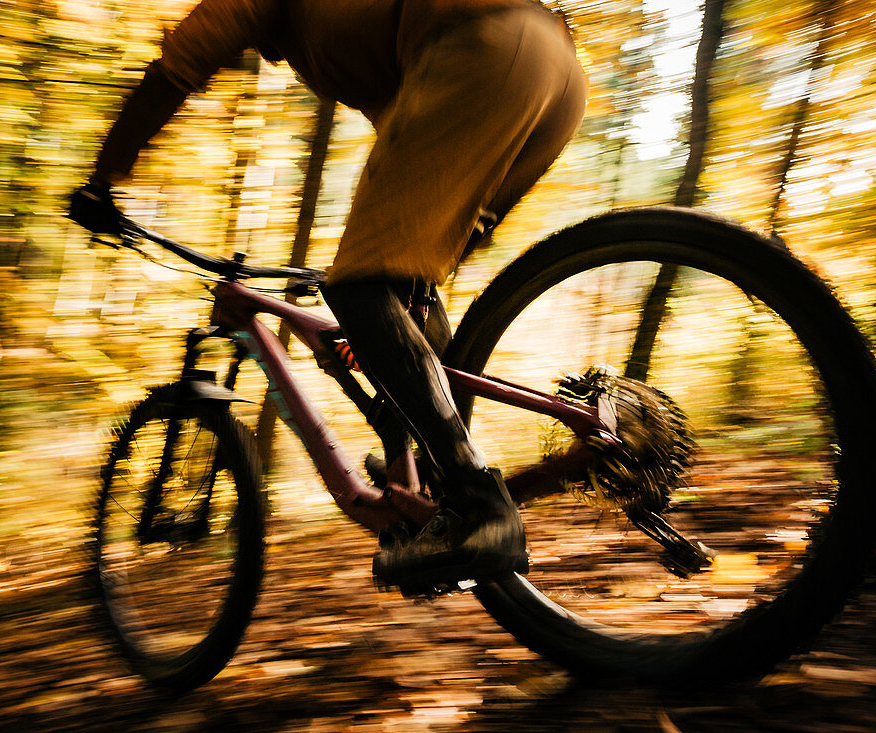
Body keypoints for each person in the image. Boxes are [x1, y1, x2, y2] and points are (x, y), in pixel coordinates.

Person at [69, 0, 587, 593]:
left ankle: (478, 506)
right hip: (556, 74)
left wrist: (103, 179)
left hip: (486, 46)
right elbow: (404, 121)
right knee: (401, 287)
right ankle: (431, 481)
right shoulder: (335, 22)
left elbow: (175, 70)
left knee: (360, 288)